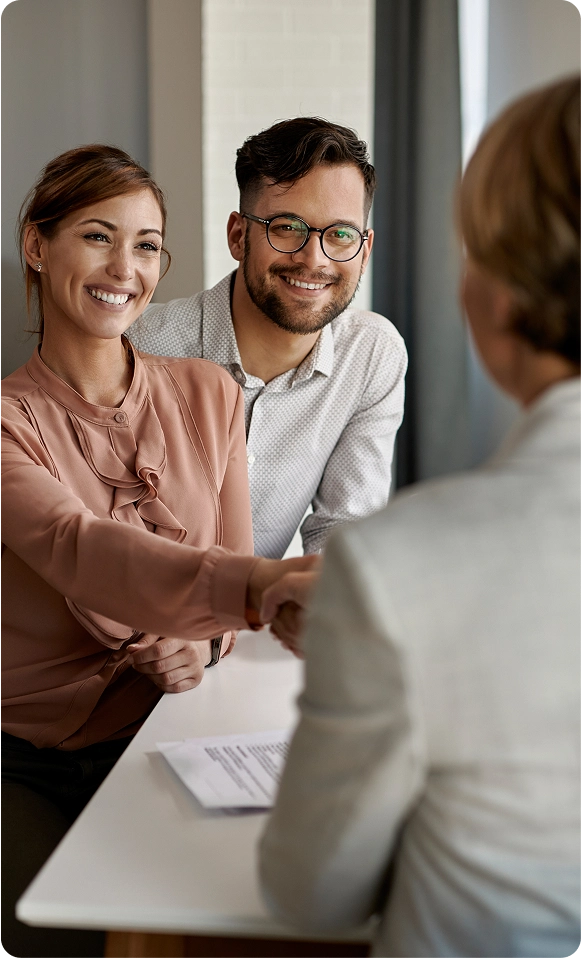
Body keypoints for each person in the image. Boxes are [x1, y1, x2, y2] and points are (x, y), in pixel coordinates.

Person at [259, 75, 581, 958]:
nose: (313, 255)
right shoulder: (158, 344)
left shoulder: (405, 569)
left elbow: (309, 894)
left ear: (495, 297)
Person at [0, 144, 314, 958]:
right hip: (25, 758)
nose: (125, 268)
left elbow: (227, 609)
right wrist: (243, 593)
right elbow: (77, 549)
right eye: (98, 236)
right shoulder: (4, 423)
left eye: (145, 245)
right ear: (37, 247)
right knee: (49, 937)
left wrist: (201, 637)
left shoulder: (211, 394)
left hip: (166, 741)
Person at [127, 118, 407, 559]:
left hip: (265, 619)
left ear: (365, 249)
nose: (314, 259)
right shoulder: (143, 345)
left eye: (340, 235)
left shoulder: (371, 355)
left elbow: (344, 538)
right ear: (239, 236)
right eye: (287, 228)